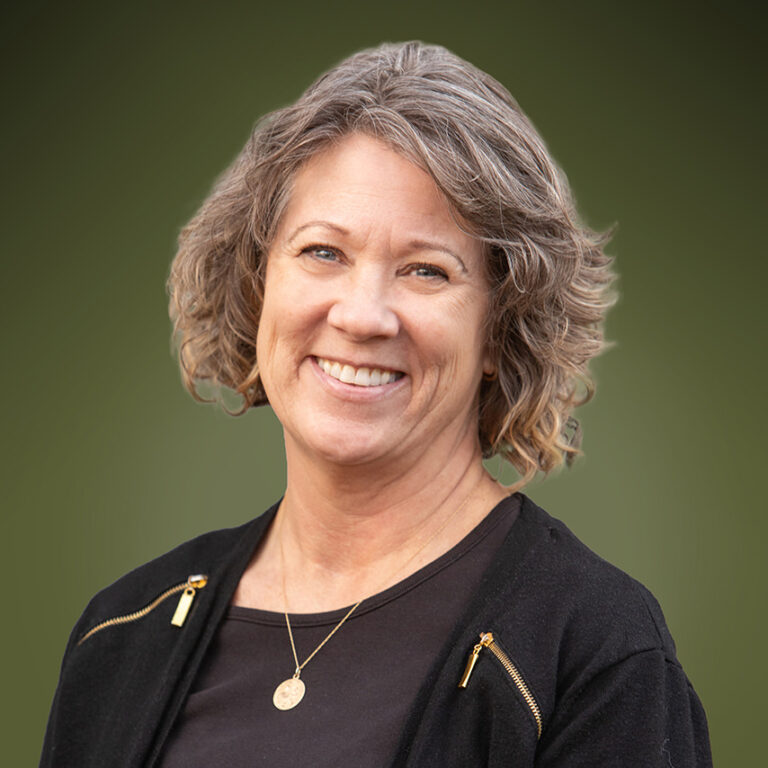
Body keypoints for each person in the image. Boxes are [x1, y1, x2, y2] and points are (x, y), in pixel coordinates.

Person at [40, 41, 711, 767]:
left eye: (426, 270)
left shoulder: (594, 652)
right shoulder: (122, 632)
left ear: (501, 326)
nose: (363, 316)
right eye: (323, 252)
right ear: (257, 280)